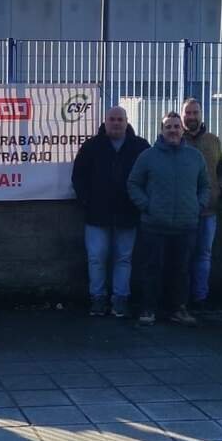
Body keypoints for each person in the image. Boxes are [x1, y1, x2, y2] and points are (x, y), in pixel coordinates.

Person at [127, 112, 209, 326]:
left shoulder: (195, 157)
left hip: (186, 224)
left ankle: (178, 309)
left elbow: (205, 186)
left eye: (176, 126)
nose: (173, 130)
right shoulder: (148, 156)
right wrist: (147, 206)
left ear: (182, 130)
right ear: (161, 131)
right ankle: (148, 309)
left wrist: (198, 205)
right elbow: (133, 183)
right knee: (151, 268)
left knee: (181, 270)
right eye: (168, 127)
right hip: (154, 225)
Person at [71, 107, 151, 318]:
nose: (116, 123)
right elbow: (78, 177)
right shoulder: (91, 146)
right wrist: (86, 201)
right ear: (105, 121)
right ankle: (97, 298)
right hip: (97, 214)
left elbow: (150, 177)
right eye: (112, 119)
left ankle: (120, 299)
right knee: (96, 258)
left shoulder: (140, 146)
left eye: (120, 119)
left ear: (126, 121)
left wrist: (141, 203)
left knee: (123, 258)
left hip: (128, 213)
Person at [181, 98, 222, 307]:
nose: (192, 117)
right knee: (182, 256)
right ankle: (180, 298)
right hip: (181, 211)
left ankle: (200, 297)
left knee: (203, 255)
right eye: (188, 113)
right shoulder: (175, 137)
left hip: (209, 209)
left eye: (195, 113)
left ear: (201, 115)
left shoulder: (213, 140)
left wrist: (221, 187)